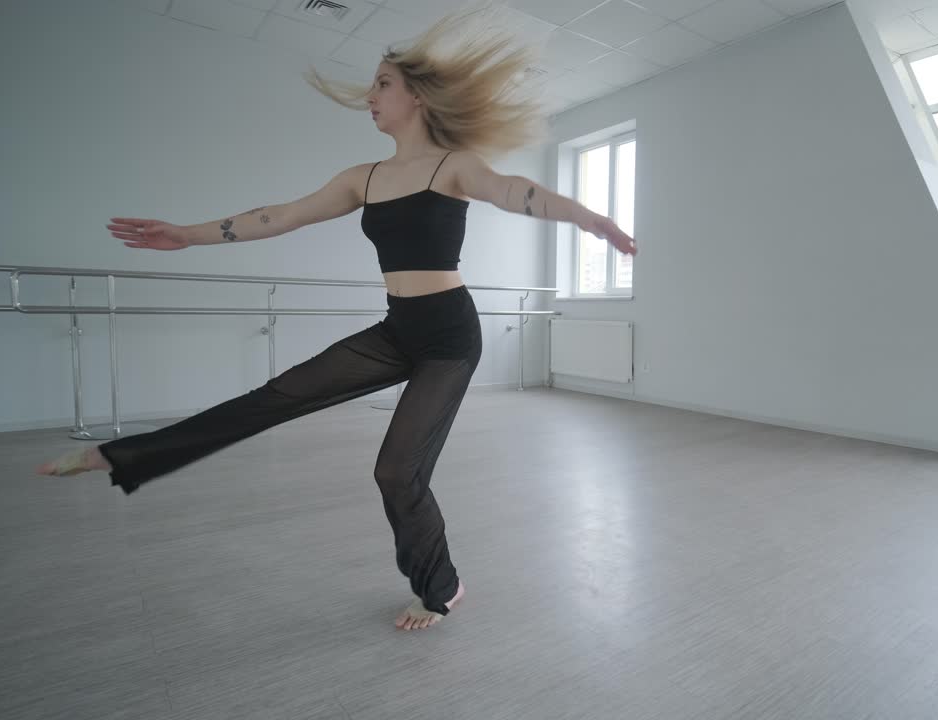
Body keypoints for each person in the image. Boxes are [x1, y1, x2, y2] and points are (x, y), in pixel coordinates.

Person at [36, 4, 637, 631]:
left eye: (383, 84)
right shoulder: (365, 178)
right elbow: (279, 215)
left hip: (449, 338)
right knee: (275, 396)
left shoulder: (452, 165)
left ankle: (442, 587)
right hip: (397, 328)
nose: (371, 96)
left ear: (417, 96)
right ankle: (127, 458)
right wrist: (185, 235)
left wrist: (588, 218)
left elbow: (517, 190)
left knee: (396, 471)